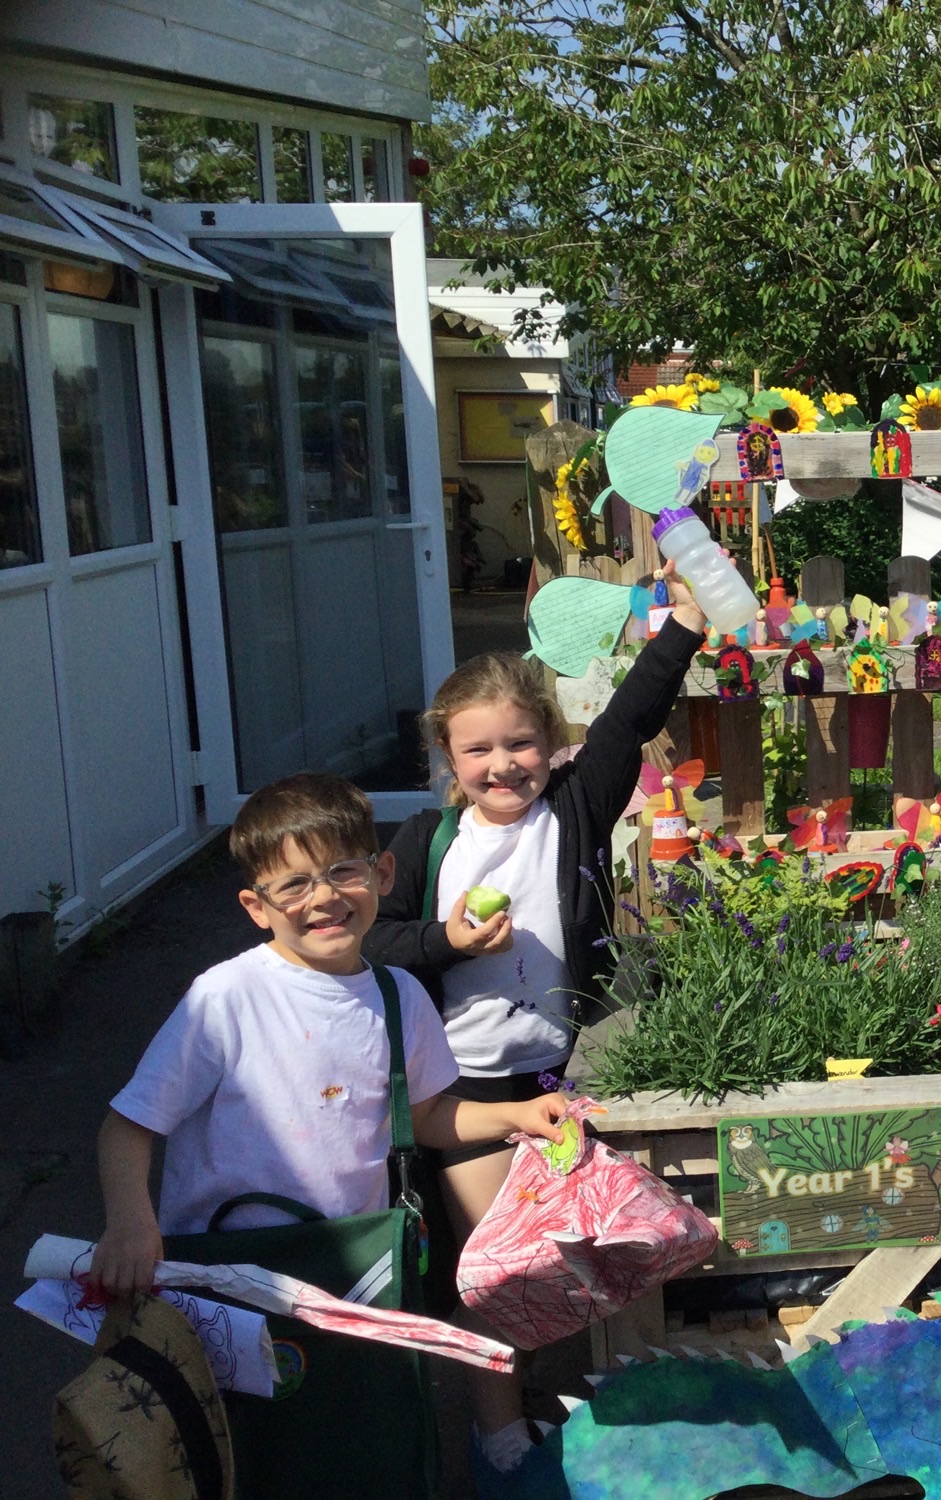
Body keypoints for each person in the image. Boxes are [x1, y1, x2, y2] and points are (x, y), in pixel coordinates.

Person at [363, 564, 706, 1493]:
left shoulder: (575, 808)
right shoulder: (428, 845)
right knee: (494, 1275)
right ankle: (501, 1434)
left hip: (560, 1078)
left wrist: (678, 626)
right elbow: (375, 936)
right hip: (465, 1095)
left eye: (520, 743)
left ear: (551, 744)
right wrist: (447, 938)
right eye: (477, 751)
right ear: (447, 758)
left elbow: (632, 717)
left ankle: (584, 1404)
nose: (501, 765)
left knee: (575, 1258)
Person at [93, 776, 567, 1446]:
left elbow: (427, 1118)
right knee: (245, 1451)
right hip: (226, 1279)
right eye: (294, 884)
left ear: (381, 873)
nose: (323, 897)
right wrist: (130, 1228)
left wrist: (519, 1116)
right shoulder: (226, 997)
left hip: (356, 1272)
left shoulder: (399, 995)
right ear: (257, 907)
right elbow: (128, 1128)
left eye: (343, 871)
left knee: (349, 1444)